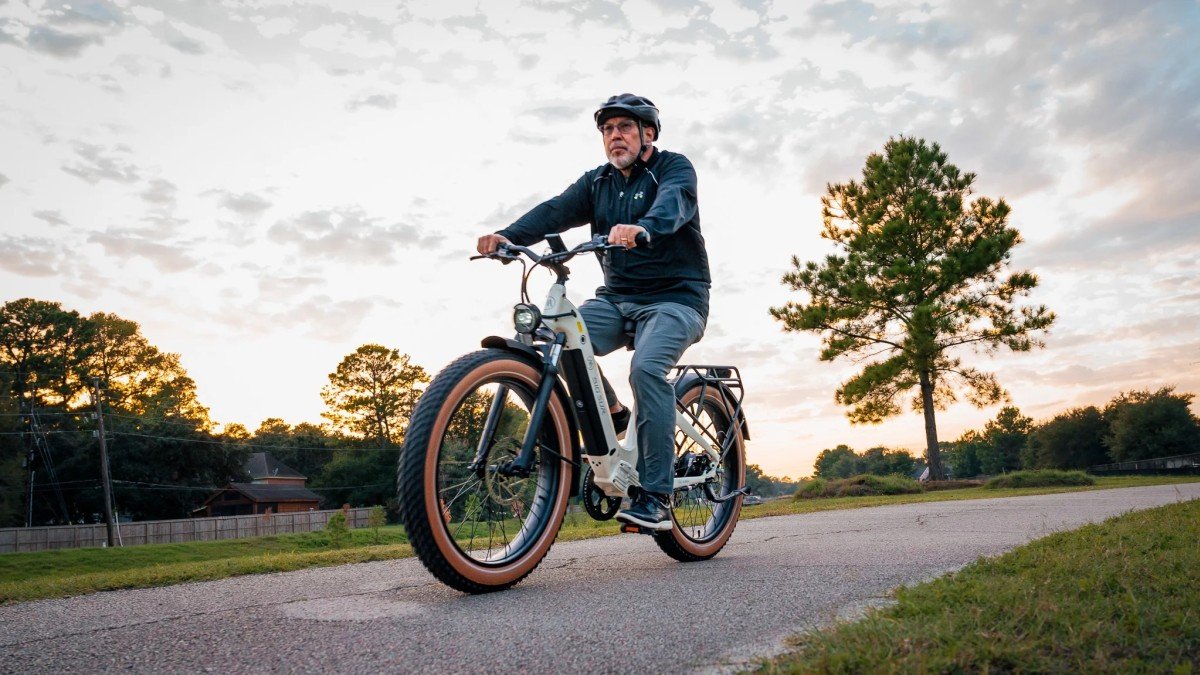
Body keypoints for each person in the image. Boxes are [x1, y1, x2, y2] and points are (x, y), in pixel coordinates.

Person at [476, 93, 711, 530]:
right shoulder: (597, 182)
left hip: (676, 299)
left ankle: (656, 495)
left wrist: (644, 227)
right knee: (556, 335)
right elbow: (554, 211)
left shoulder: (673, 168)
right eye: (607, 130)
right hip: (617, 298)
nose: (614, 136)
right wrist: (507, 236)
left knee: (646, 370)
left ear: (648, 134)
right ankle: (614, 411)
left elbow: (674, 204)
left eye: (624, 127)